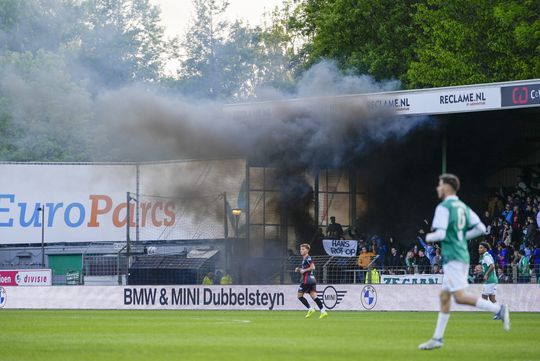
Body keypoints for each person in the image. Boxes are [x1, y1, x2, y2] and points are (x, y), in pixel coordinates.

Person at [419, 174, 510, 351]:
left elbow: (440, 234)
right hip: (459, 255)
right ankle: (437, 338)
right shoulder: (462, 206)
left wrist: (428, 236)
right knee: (445, 297)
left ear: (447, 187)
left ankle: (499, 310)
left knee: (459, 297)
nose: (438, 188)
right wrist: (461, 237)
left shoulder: (444, 207)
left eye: (440, 185)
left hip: (453, 256)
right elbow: (481, 228)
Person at [295, 243, 328, 319]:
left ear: (307, 250)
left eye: (303, 249)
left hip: (307, 280)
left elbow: (312, 267)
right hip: (312, 280)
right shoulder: (304, 259)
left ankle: (310, 309)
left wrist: (303, 270)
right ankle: (323, 311)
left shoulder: (308, 258)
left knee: (299, 296)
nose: (301, 250)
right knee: (314, 297)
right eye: (301, 249)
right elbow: (306, 270)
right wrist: (299, 269)